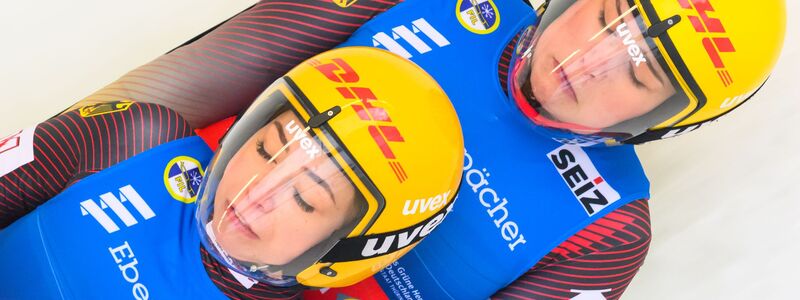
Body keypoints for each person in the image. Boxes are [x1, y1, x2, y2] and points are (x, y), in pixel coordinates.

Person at [0, 0, 786, 299]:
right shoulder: (430, 2)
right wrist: (92, 162)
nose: (587, 62)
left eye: (639, 73)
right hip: (185, 209)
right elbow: (179, 84)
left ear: (668, 120)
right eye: (604, 15)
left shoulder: (606, 233)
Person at [0, 47, 465, 298]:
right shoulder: (135, 137)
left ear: (352, 249)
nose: (256, 194)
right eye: (265, 149)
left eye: (305, 198)